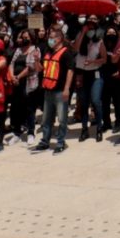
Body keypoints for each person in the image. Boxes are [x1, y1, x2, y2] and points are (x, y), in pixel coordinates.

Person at [33, 25, 74, 153]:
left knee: (62, 119)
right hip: (48, 90)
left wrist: (67, 89)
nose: (49, 40)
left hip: (60, 91)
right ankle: (45, 141)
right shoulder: (47, 50)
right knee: (46, 118)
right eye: (49, 37)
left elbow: (70, 71)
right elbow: (40, 69)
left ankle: (60, 142)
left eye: (51, 38)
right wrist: (36, 61)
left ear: (59, 38)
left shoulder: (66, 53)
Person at [75, 15, 107, 141]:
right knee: (83, 102)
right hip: (82, 73)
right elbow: (75, 49)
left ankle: (99, 128)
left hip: (95, 74)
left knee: (96, 101)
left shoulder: (99, 41)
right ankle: (84, 129)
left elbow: (104, 59)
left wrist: (93, 62)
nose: (91, 24)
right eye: (89, 22)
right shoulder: (80, 36)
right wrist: (82, 33)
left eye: (94, 22)